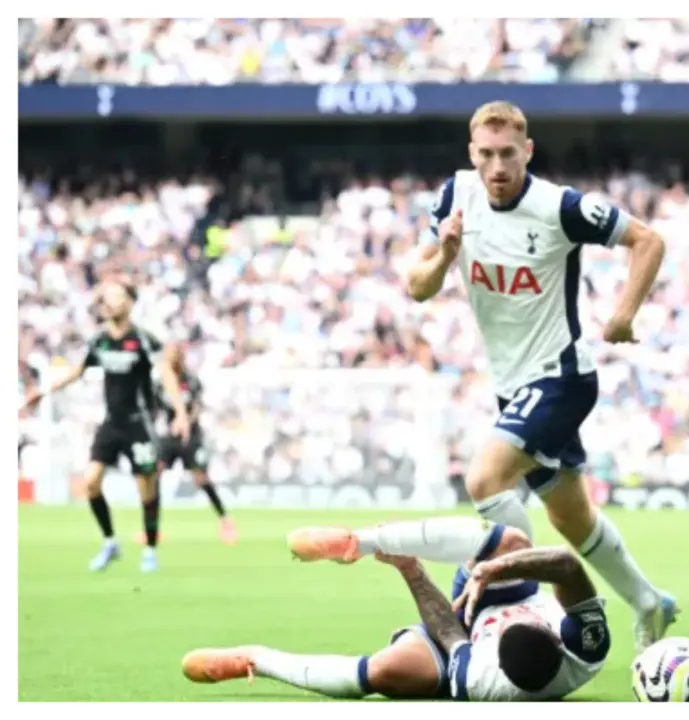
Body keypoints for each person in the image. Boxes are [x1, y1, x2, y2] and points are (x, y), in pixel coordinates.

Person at [405, 100, 676, 650]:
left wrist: (624, 313)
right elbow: (417, 286)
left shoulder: (561, 207)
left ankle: (527, 607)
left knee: (484, 480)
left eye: (509, 154)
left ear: (527, 151)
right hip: (513, 386)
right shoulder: (456, 196)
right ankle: (650, 602)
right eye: (487, 155)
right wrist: (445, 255)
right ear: (472, 154)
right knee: (572, 518)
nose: (498, 167)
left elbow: (648, 240)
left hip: (562, 377)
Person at [181, 518, 610, 701]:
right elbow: (568, 566)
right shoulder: (588, 648)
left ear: (493, 656)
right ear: (558, 633)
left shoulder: (478, 679)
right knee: (514, 541)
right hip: (504, 592)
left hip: (463, 627)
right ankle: (358, 541)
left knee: (387, 671)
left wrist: (411, 570)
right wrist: (495, 568)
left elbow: (449, 632)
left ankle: (256, 659)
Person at [22, 280, 190, 573]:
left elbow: (166, 374)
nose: (110, 303)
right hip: (112, 423)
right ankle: (110, 541)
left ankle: (150, 549)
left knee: (146, 490)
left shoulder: (143, 339)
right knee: (91, 482)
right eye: (107, 298)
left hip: (139, 424)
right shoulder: (99, 341)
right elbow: (76, 371)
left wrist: (180, 413)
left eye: (117, 297)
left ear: (129, 303)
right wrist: (43, 390)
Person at [155, 344, 237, 544]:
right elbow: (154, 408)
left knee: (200, 478)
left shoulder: (191, 381)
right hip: (169, 436)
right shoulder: (160, 383)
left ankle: (225, 520)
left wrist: (185, 422)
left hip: (191, 436)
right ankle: (152, 527)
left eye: (174, 354)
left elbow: (198, 407)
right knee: (154, 474)